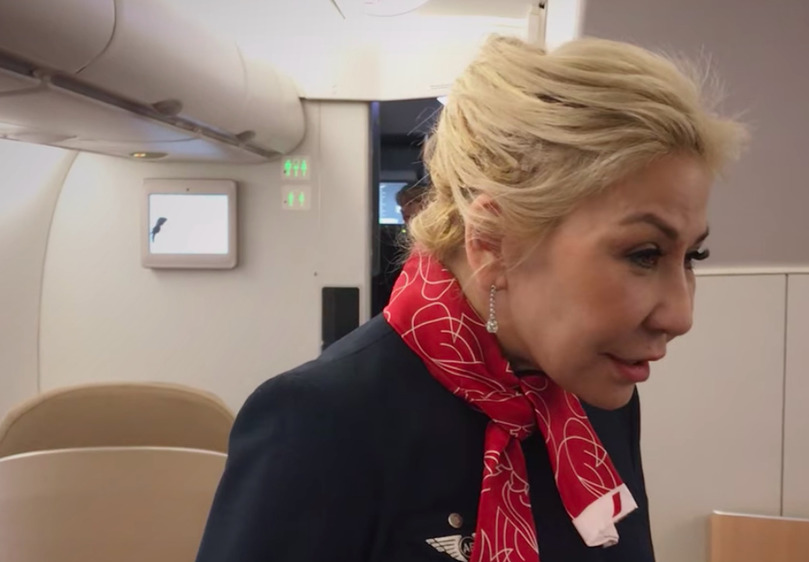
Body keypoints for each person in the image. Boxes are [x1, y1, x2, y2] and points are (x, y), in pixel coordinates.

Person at [195, 34, 747, 562]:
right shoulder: (321, 424)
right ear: (493, 243)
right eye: (644, 253)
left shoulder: (592, 406)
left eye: (691, 257)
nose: (680, 315)